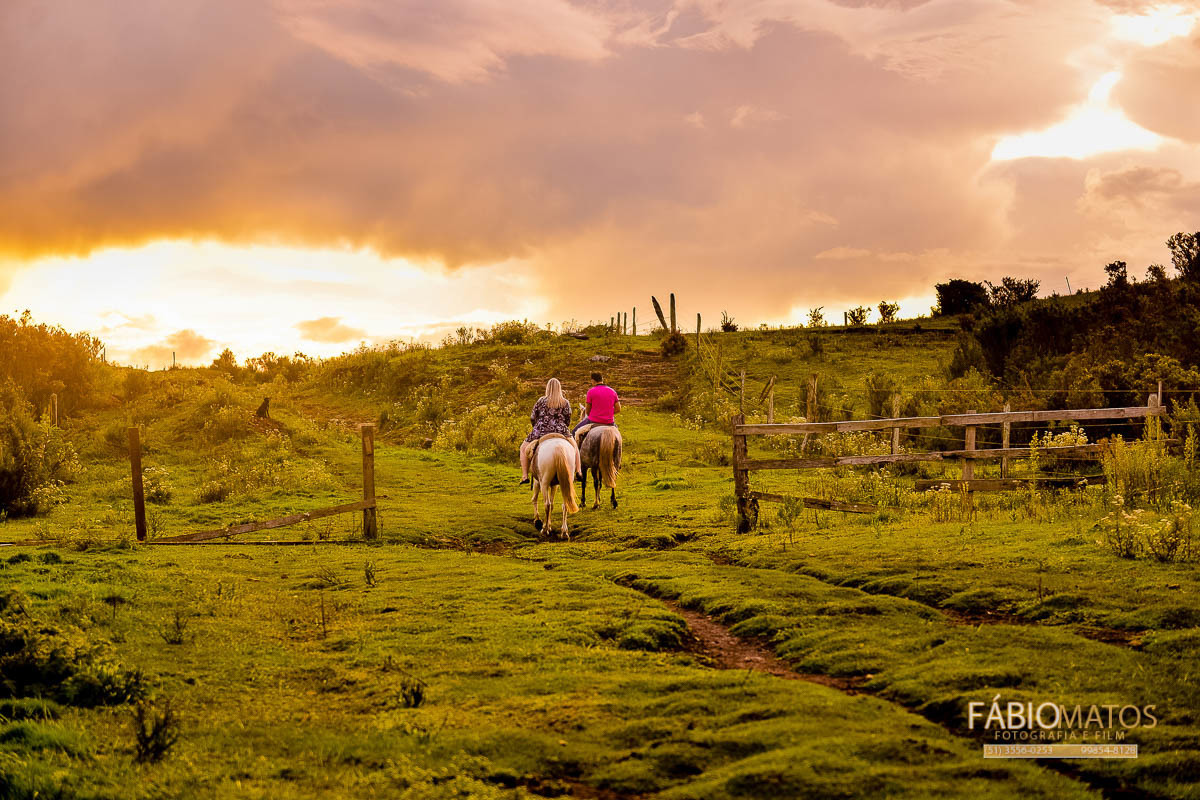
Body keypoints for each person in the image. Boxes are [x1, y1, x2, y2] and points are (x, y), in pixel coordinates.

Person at [520, 378, 582, 484]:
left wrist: (536, 426)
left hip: (541, 429)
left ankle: (525, 476)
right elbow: (568, 418)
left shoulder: (541, 400)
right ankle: (578, 471)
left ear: (548, 388)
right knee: (575, 447)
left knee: (523, 448)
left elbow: (533, 416)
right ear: (559, 388)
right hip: (561, 429)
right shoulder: (565, 402)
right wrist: (563, 426)